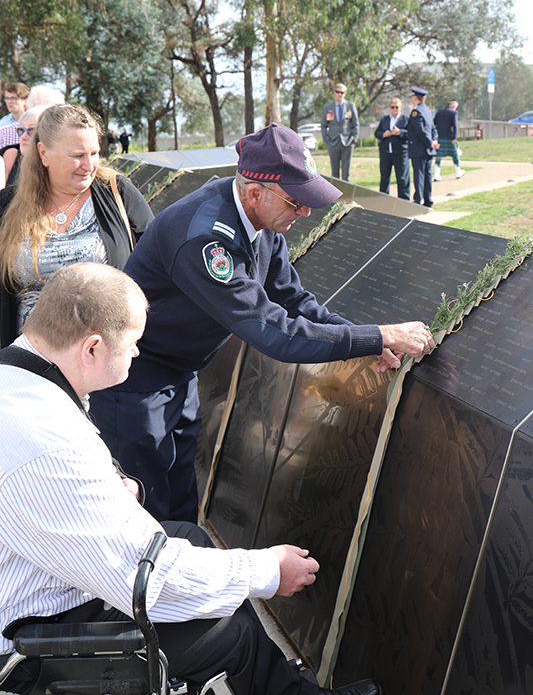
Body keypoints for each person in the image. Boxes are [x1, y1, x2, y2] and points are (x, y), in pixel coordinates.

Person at [0, 262, 382, 695]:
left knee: (190, 537)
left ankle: (289, 686)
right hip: (32, 633)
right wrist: (268, 569)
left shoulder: (19, 376)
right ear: (91, 349)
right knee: (228, 633)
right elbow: (149, 582)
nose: (138, 353)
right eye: (132, 343)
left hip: (42, 579)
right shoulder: (50, 443)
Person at [90, 122, 435, 524]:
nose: (305, 212)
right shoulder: (206, 240)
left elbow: (293, 300)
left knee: (181, 500)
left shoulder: (263, 223)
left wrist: (373, 342)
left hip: (179, 372)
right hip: (133, 380)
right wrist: (379, 334)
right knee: (142, 510)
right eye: (296, 202)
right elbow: (273, 332)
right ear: (255, 193)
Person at [0, 104, 153, 347]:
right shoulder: (8, 207)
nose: (89, 165)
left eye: (94, 153)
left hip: (104, 361)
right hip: (29, 363)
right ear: (44, 153)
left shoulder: (118, 193)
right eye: (77, 156)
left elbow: (155, 262)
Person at [0, 105, 49, 191]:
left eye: (31, 130)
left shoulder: (53, 164)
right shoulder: (11, 154)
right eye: (21, 130)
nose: (24, 136)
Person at [407, 86, 439, 208]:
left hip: (419, 148)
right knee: (427, 175)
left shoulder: (416, 111)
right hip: (428, 149)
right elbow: (433, 129)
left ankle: (418, 200)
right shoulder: (427, 110)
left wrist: (430, 142)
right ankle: (428, 200)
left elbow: (420, 131)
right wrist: (433, 141)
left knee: (419, 176)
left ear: (415, 97)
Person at [321, 84, 359, 181]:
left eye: (342, 92)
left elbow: (356, 124)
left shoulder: (351, 106)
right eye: (337, 92)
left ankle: (346, 195)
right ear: (334, 93)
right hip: (333, 143)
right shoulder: (327, 108)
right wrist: (326, 140)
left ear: (345, 94)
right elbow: (323, 125)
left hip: (347, 143)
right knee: (334, 173)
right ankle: (336, 196)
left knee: (346, 173)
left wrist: (353, 140)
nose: (339, 94)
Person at [374, 98, 410, 200]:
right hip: (386, 152)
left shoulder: (405, 119)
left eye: (397, 107)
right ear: (389, 108)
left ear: (401, 108)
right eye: (392, 107)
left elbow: (411, 134)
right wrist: (383, 134)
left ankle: (404, 201)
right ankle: (384, 199)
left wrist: (400, 132)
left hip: (400, 152)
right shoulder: (384, 119)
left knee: (402, 178)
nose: (394, 109)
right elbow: (377, 133)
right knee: (384, 177)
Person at [433, 99, 464, 181]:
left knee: (438, 156)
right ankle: (458, 172)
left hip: (440, 137)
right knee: (455, 155)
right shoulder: (454, 113)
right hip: (450, 138)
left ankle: (436, 174)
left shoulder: (439, 112)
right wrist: (455, 138)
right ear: (453, 106)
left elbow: (434, 123)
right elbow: (455, 125)